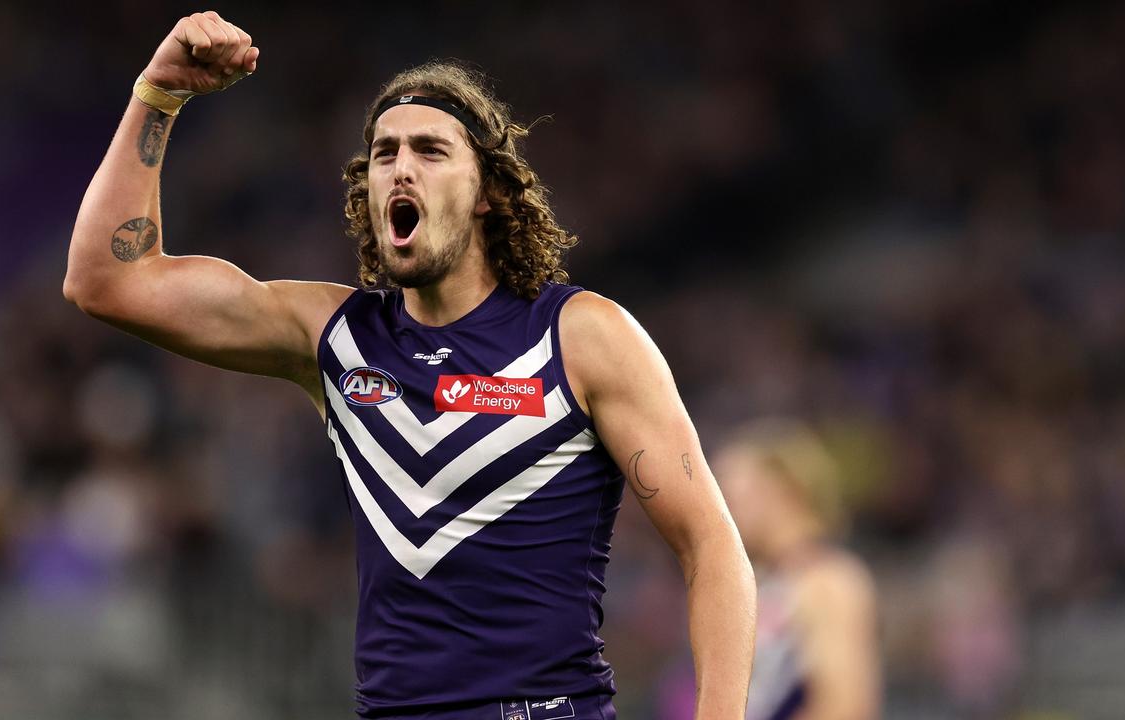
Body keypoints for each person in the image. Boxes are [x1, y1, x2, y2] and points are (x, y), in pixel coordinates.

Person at [64, 11, 755, 719]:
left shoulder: (581, 336)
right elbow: (106, 281)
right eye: (384, 153)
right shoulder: (333, 336)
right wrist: (159, 94)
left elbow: (711, 548)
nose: (400, 167)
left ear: (487, 192)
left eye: (430, 150)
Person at [713, 419, 880, 720]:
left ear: (782, 490)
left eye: (731, 497)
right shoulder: (766, 582)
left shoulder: (828, 582)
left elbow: (844, 708)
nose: (719, 512)